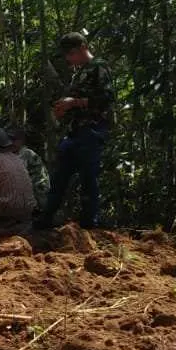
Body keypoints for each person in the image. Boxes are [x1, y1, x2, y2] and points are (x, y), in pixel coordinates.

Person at [36, 33, 116, 229]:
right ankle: (45, 219)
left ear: (82, 47)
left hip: (91, 130)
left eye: (71, 54)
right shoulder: (79, 73)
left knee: (88, 178)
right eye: (66, 55)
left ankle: (89, 223)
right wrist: (64, 108)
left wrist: (75, 102)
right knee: (60, 177)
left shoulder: (99, 67)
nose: (68, 59)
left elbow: (107, 99)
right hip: (75, 131)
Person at [7, 126, 50, 214]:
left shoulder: (26, 153)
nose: (11, 143)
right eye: (9, 140)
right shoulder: (14, 153)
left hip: (38, 193)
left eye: (14, 140)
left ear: (21, 141)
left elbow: (17, 177)